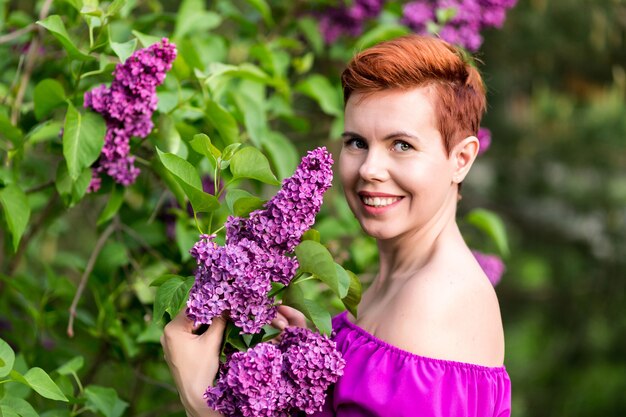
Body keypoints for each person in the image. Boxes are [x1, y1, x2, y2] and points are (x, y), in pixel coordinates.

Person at [161, 34, 511, 417]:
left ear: (461, 159)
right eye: (357, 142)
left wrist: (200, 401)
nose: (369, 169)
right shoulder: (400, 280)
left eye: (402, 145)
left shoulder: (436, 302)